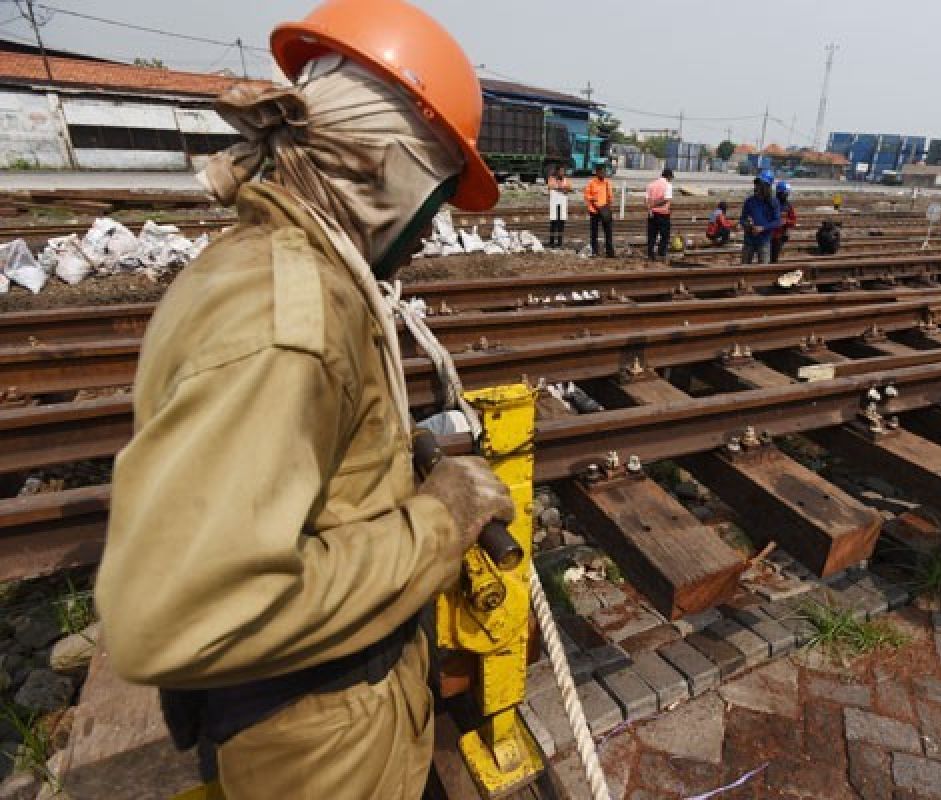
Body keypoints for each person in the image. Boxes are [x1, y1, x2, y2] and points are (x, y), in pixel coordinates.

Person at [94, 2, 515, 798]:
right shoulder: (290, 318)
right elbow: (172, 618)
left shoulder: (281, 267)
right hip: (322, 755)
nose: (435, 231)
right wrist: (438, 519)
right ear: (389, 171)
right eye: (437, 196)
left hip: (337, 719)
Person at [739, 170, 781, 264]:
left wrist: (763, 228)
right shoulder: (749, 201)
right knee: (744, 267)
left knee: (763, 268)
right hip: (749, 240)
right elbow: (742, 219)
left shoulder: (773, 202)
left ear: (768, 186)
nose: (758, 186)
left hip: (764, 241)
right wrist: (746, 224)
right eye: (757, 183)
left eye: (761, 184)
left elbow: (777, 221)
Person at [583, 163, 616, 257]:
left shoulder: (607, 183)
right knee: (594, 233)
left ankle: (610, 252)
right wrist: (592, 200)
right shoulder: (591, 183)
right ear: (597, 172)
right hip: (594, 211)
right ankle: (594, 251)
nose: (603, 174)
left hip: (605, 210)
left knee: (608, 232)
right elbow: (586, 195)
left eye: (604, 172)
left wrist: (608, 207)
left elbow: (610, 197)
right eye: (601, 172)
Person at [645, 167, 674, 261]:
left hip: (652, 214)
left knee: (652, 235)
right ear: (668, 176)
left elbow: (647, 199)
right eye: (671, 177)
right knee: (664, 235)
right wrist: (654, 205)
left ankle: (650, 254)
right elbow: (666, 199)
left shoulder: (651, 184)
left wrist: (650, 208)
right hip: (663, 213)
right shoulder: (668, 185)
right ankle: (661, 253)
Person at [770, 180, 798, 263]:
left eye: (787, 193)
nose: (786, 195)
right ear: (780, 193)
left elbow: (793, 221)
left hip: (780, 236)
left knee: (774, 257)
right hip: (769, 235)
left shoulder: (788, 206)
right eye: (785, 193)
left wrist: (786, 222)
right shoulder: (771, 203)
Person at [546, 164, 572, 248]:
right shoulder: (552, 179)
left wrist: (560, 188)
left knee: (561, 223)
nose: (562, 173)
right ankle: (552, 241)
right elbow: (551, 186)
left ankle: (560, 242)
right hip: (554, 202)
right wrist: (562, 188)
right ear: (557, 171)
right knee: (553, 222)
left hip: (563, 203)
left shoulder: (566, 179)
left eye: (563, 171)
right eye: (560, 171)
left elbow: (569, 188)